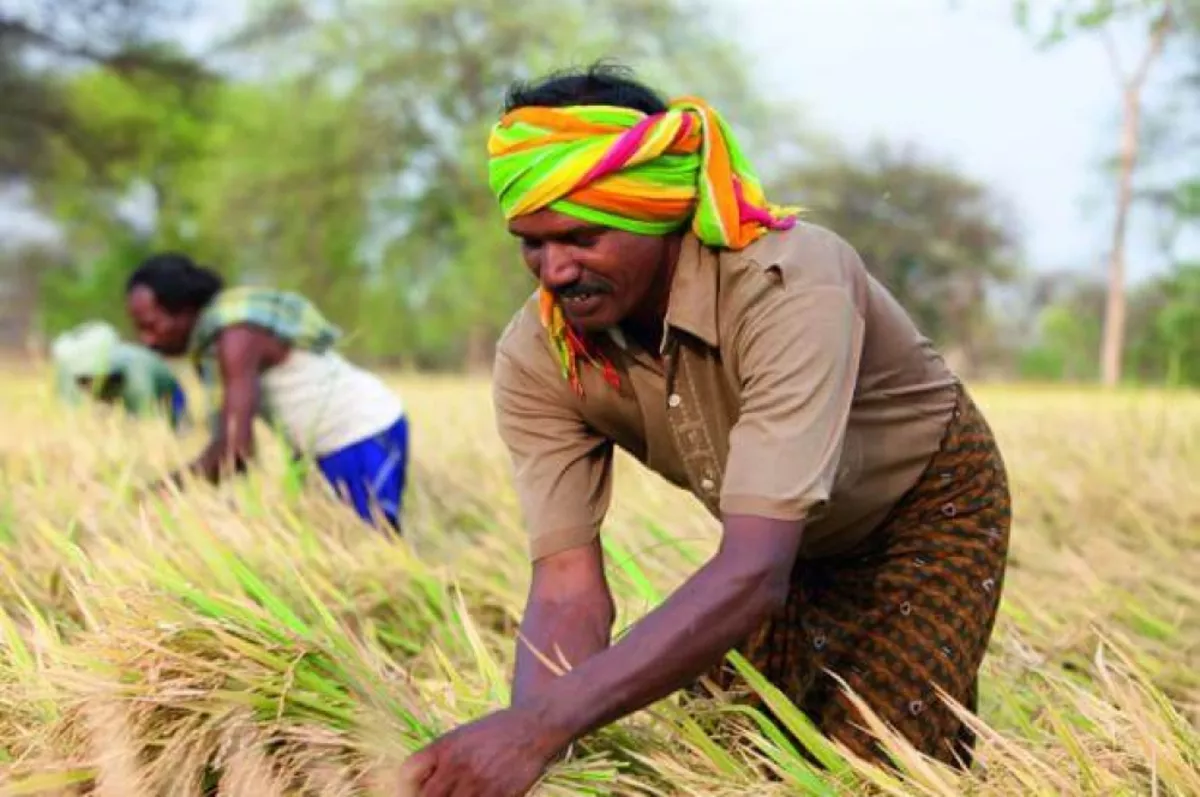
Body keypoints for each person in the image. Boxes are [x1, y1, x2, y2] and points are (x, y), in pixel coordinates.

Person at [402, 63, 1012, 795]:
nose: (554, 270)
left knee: (874, 764)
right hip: (774, 539)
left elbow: (754, 571)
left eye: (580, 236)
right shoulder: (540, 355)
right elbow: (567, 588)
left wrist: (537, 728)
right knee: (726, 753)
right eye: (531, 243)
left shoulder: (789, 283)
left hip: (919, 512)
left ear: (656, 209)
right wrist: (530, 746)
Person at [123, 253, 410, 531]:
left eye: (151, 325)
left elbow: (235, 451)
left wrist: (165, 490)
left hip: (360, 433)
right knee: (343, 541)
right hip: (329, 446)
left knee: (372, 542)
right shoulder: (217, 340)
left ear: (184, 310)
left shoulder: (236, 337)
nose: (147, 340)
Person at [51, 320, 190, 431]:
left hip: (170, 388)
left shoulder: (134, 373)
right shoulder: (93, 368)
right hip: (121, 380)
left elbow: (141, 415)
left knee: (180, 429)